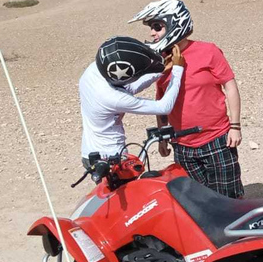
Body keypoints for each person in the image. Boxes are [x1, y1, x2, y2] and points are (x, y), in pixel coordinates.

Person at [128, 0, 244, 198]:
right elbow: (161, 99)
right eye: (151, 28)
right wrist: (162, 137)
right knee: (198, 203)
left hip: (217, 140)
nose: (152, 33)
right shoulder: (161, 61)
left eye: (157, 27)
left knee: (229, 200)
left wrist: (235, 126)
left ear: (175, 23)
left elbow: (230, 87)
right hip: (182, 146)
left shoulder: (208, 51)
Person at [79, 36, 185, 167]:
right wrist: (177, 70)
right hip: (110, 158)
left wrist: (160, 71)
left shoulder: (95, 69)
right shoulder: (113, 97)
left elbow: (128, 87)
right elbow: (163, 107)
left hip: (91, 152)